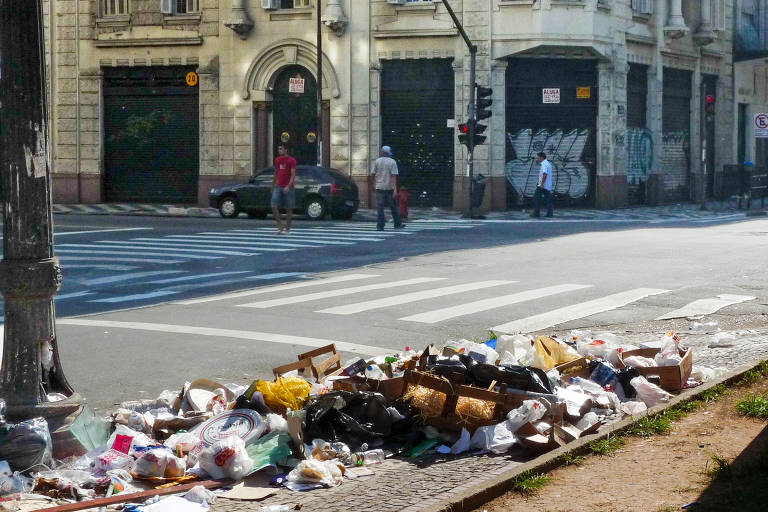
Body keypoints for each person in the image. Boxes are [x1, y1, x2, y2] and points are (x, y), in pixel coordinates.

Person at [370, 145, 404, 231]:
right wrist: (395, 189)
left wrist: (373, 185)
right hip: (389, 188)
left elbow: (373, 174)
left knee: (380, 208)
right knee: (394, 207)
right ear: (389, 153)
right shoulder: (392, 162)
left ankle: (380, 226)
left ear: (382, 152)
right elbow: (393, 176)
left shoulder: (377, 161)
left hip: (379, 187)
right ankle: (397, 224)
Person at [271, 144, 297, 234]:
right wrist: (273, 184)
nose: (279, 150)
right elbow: (276, 172)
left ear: (286, 150)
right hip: (278, 185)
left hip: (288, 186)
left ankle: (287, 229)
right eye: (278, 149)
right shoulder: (277, 160)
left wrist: (288, 186)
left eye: (281, 149)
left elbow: (293, 174)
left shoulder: (291, 160)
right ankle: (280, 226)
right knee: (274, 205)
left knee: (289, 208)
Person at [531, 151, 554, 218]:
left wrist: (542, 184)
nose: (537, 159)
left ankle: (536, 213)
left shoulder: (544, 164)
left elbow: (545, 174)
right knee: (548, 200)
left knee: (536, 199)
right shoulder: (548, 163)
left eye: (538, 158)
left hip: (542, 186)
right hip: (547, 185)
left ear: (541, 157)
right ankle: (550, 214)